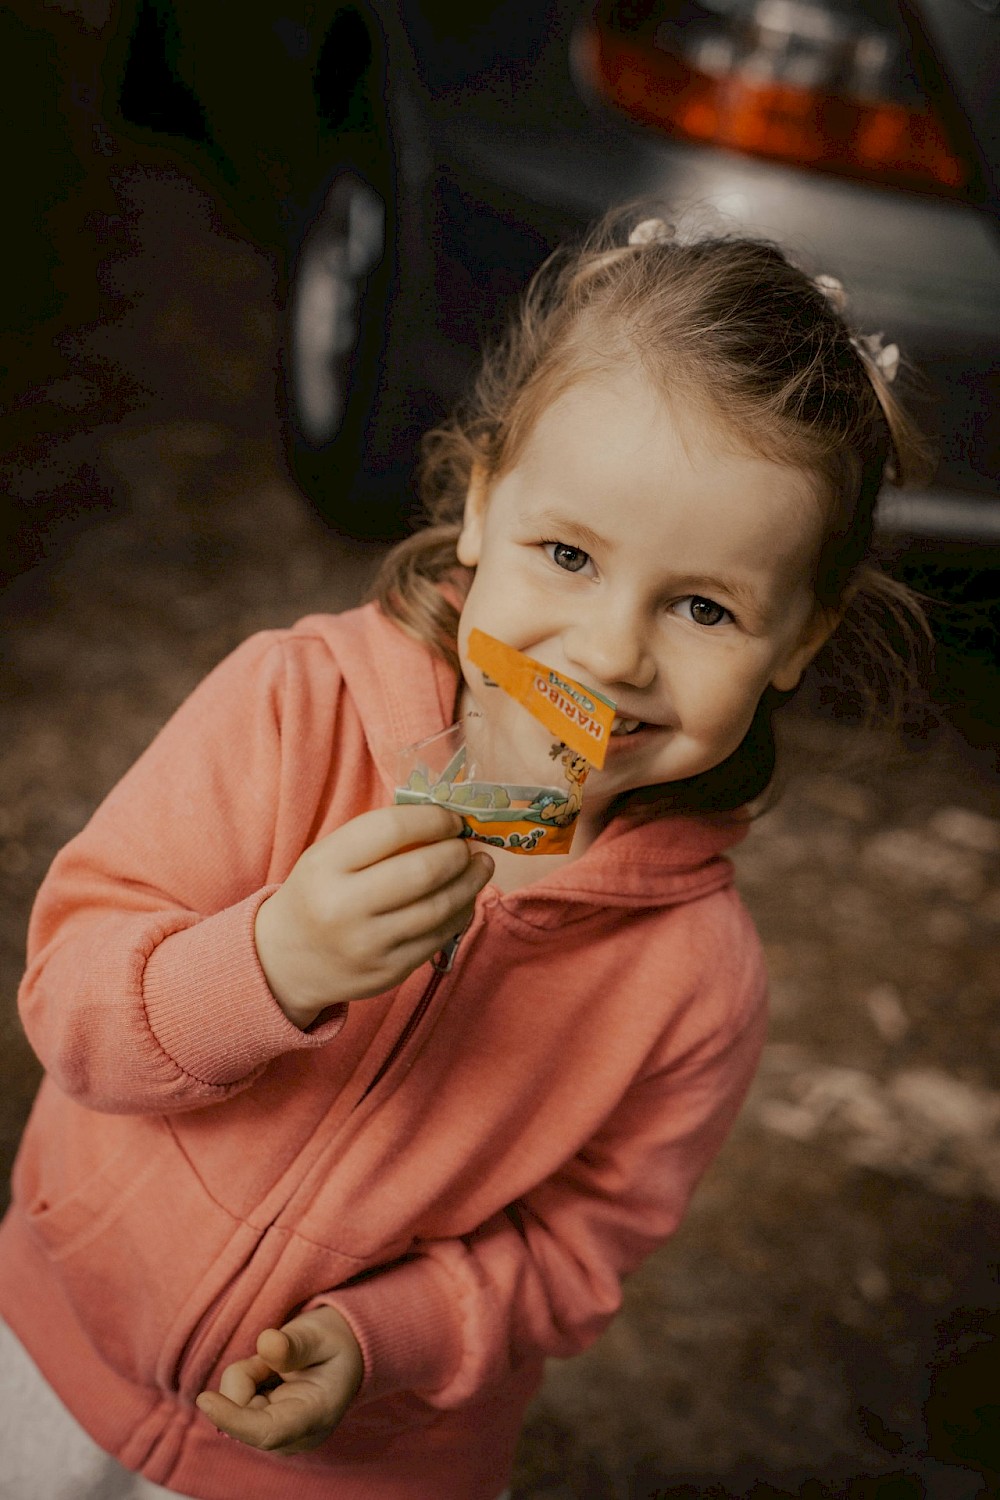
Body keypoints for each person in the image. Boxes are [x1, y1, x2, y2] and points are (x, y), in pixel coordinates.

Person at [0, 207, 933, 1500]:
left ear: (799, 642)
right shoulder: (289, 708)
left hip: (363, 1468)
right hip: (53, 1354)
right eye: (567, 554)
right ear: (482, 506)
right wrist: (269, 961)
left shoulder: (698, 982)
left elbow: (574, 1255)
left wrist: (383, 1338)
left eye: (705, 606)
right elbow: (71, 1004)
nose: (608, 656)